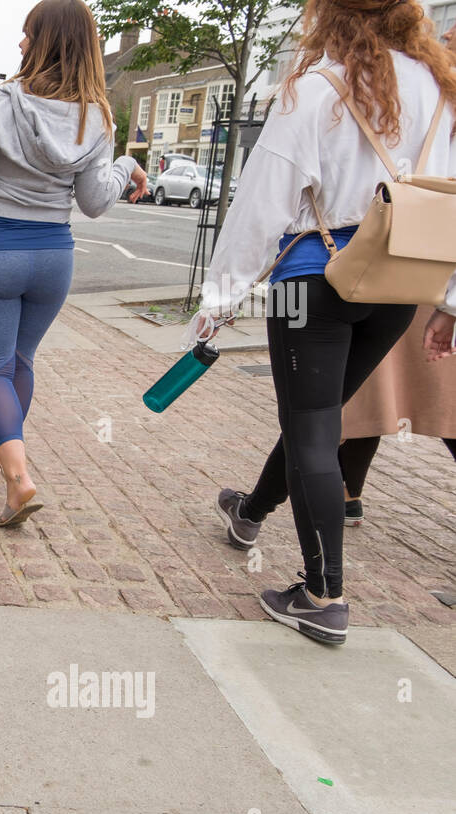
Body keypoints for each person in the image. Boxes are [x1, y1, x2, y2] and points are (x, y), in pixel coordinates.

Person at [200, 0, 456, 645]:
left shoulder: (317, 88)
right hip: (400, 284)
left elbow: (261, 206)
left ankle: (322, 595)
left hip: (312, 279)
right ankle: (249, 512)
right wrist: (451, 302)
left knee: (313, 426)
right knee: (319, 416)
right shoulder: (442, 90)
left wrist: (218, 302)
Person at [0, 0, 148, 527]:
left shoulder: (2, 99)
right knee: (21, 361)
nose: (19, 44)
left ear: (45, 41)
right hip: (53, 257)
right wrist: (128, 163)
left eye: (26, 34)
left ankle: (19, 479)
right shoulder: (98, 115)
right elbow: (93, 202)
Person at [336, 18, 456, 527]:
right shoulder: (438, 93)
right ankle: (345, 491)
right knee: (376, 383)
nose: (445, 43)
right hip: (424, 258)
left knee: (394, 383)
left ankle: (331, 494)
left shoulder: (435, 94)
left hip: (427, 260)